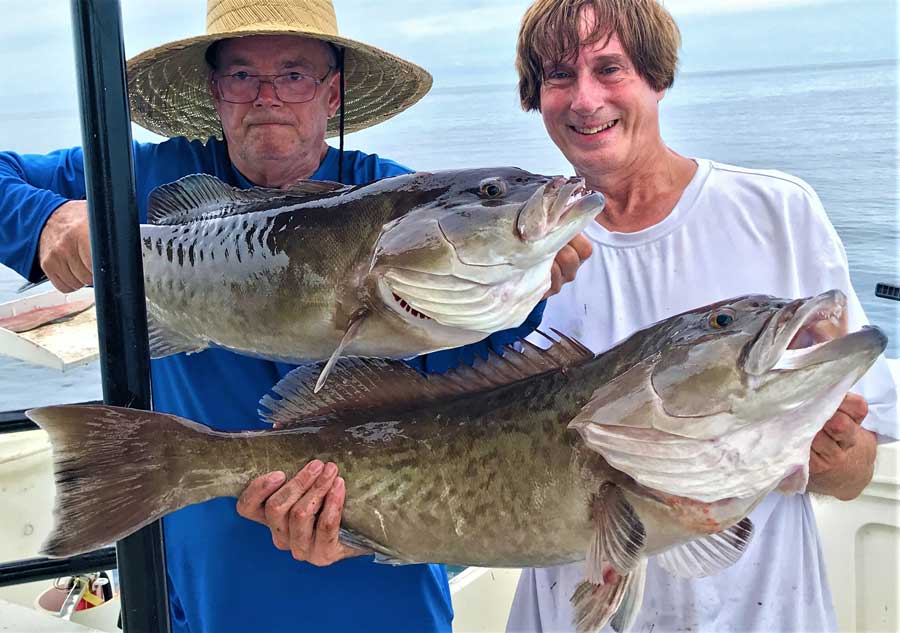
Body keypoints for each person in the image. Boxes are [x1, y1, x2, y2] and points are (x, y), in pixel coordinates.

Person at [0, 2, 591, 632]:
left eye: (293, 75)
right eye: (241, 76)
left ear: (332, 92)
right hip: (204, 582)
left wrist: (519, 297)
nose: (266, 98)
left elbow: (460, 387)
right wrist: (45, 222)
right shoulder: (139, 178)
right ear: (214, 90)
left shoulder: (393, 200)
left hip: (374, 567)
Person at [504, 1, 899, 632]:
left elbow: (855, 476)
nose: (584, 99)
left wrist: (837, 450)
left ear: (657, 80)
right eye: (558, 76)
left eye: (611, 69)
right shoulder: (514, 256)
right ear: (536, 97)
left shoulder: (778, 212)